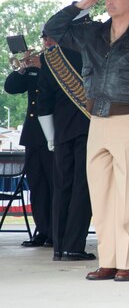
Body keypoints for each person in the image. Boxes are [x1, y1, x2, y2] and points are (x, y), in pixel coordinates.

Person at [44, 0, 129, 282]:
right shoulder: (92, 33)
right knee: (101, 195)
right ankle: (108, 260)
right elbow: (52, 30)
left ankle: (127, 262)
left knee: (128, 195)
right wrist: (78, 6)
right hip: (98, 120)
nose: (110, 0)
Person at [36, 14, 94, 262]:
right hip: (89, 129)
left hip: (60, 133)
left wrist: (50, 136)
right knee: (83, 188)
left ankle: (59, 247)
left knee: (61, 189)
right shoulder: (94, 51)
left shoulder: (49, 58)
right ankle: (74, 247)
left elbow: (43, 103)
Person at [4, 45, 54, 249]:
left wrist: (44, 67)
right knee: (37, 185)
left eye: (49, 39)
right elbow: (11, 87)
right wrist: (23, 67)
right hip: (33, 135)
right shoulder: (33, 66)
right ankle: (41, 230)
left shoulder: (59, 64)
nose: (46, 43)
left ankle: (55, 231)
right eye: (45, 39)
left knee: (54, 185)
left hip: (52, 133)